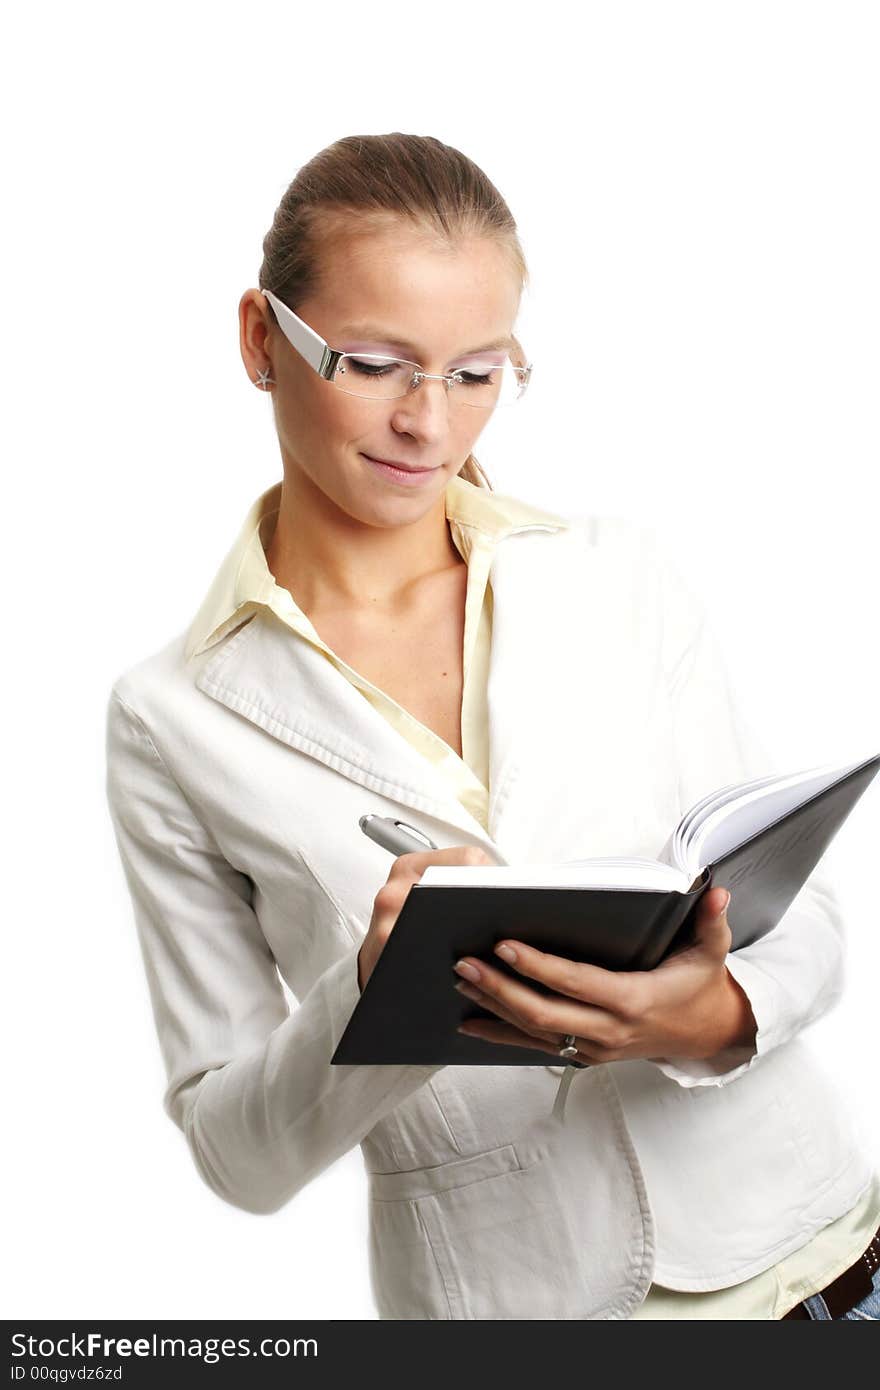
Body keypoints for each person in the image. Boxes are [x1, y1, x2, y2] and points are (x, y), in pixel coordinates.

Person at [104, 132, 880, 1321]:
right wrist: (373, 986)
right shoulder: (173, 718)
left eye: (478, 371)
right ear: (264, 339)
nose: (428, 422)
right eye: (374, 363)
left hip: (823, 1262)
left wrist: (714, 1010)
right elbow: (235, 1151)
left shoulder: (616, 575)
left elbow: (803, 920)